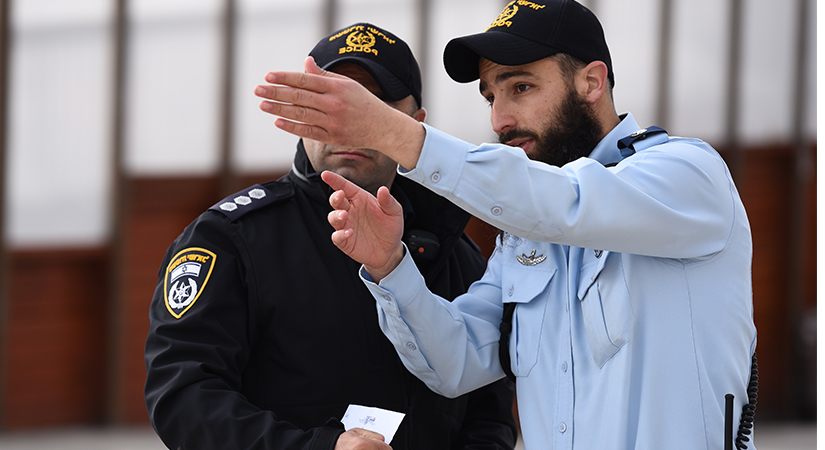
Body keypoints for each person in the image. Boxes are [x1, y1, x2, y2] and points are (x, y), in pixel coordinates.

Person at [254, 1, 758, 449]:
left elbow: (564, 203)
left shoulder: (688, 174)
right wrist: (390, 267)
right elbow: (455, 363)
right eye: (490, 97)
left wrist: (390, 130)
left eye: (520, 87)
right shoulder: (525, 234)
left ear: (592, 81)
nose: (500, 120)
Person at [144, 22, 517, 450]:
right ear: (301, 116)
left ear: (415, 124)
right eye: (331, 104)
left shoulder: (453, 248)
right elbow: (184, 396)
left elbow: (489, 410)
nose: (351, 125)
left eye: (373, 107)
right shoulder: (229, 239)